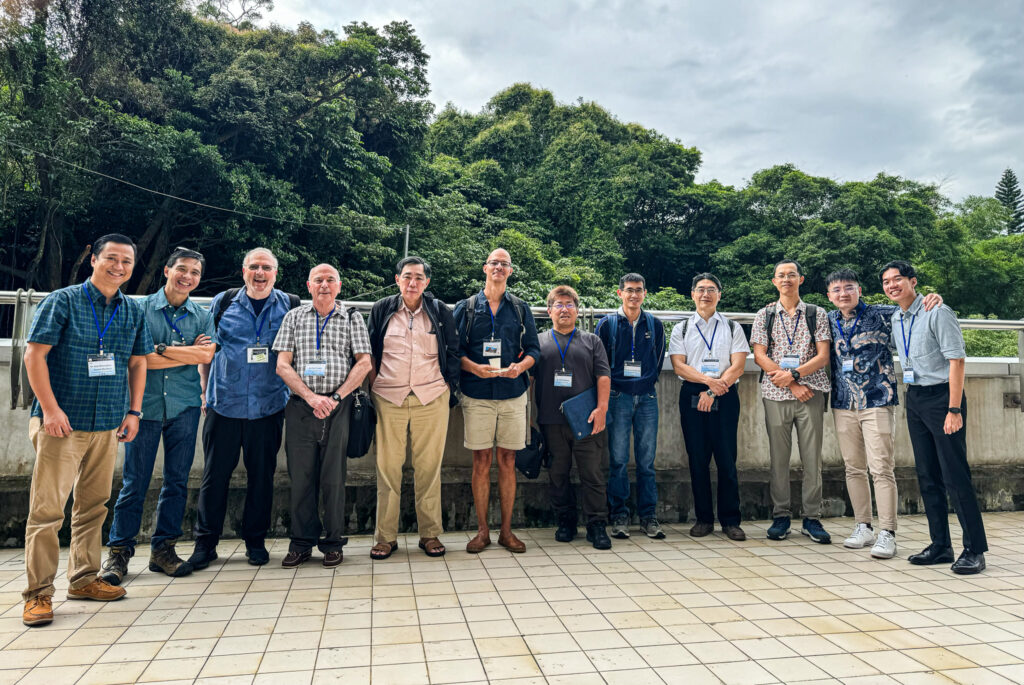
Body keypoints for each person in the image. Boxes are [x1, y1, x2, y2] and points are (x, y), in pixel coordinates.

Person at [21, 234, 153, 627]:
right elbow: (35, 355)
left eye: (127, 262)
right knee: (47, 511)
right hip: (62, 422)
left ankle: (83, 579)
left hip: (108, 423)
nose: (119, 267)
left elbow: (138, 363)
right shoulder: (62, 301)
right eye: (111, 259)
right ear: (93, 259)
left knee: (93, 506)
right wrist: (49, 409)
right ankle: (38, 594)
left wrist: (133, 412)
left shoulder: (132, 310)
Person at [101, 247, 215, 585]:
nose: (187, 277)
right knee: (135, 482)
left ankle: (163, 549)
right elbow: (139, 358)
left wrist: (161, 350)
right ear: (167, 270)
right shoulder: (139, 308)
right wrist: (182, 353)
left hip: (185, 406)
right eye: (181, 269)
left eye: (194, 272)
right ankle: (119, 553)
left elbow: (207, 353)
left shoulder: (201, 313)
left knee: (177, 481)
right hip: (144, 407)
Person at [189, 247, 298, 569]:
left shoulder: (289, 305)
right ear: (244, 270)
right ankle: (205, 544)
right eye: (254, 267)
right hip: (224, 404)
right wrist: (204, 392)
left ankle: (255, 541)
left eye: (266, 267)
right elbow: (206, 351)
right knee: (214, 477)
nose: (260, 273)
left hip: (268, 406)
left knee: (261, 478)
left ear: (275, 274)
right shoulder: (222, 303)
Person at [826, 268, 942, 559]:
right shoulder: (828, 320)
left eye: (849, 287)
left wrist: (934, 297)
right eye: (837, 290)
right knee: (853, 467)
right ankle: (862, 525)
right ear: (830, 295)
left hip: (877, 399)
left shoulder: (884, 314)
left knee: (881, 468)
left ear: (860, 289)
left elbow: (914, 308)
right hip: (843, 402)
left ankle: (887, 532)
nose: (843, 294)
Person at [882, 261, 987, 574]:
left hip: (943, 397)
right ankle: (940, 544)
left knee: (955, 475)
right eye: (886, 282)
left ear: (913, 281)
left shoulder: (937, 311)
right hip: (915, 397)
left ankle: (975, 549)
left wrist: (954, 409)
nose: (892, 285)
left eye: (898, 279)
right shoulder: (895, 316)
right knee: (927, 476)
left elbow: (957, 360)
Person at [273, 263, 371, 567]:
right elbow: (282, 364)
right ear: (308, 285)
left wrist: (336, 397)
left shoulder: (352, 317)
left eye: (330, 280)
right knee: (301, 477)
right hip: (301, 407)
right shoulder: (294, 317)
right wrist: (311, 397)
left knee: (334, 477)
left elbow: (364, 363)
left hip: (339, 407)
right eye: (319, 280)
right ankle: (301, 542)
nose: (324, 285)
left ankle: (332, 542)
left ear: (339, 286)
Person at [367, 257, 460, 560]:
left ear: (427, 283)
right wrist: (373, 386)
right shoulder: (383, 309)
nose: (412, 283)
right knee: (387, 469)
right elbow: (368, 350)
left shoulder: (440, 311)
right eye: (407, 277)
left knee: (429, 469)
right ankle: (385, 537)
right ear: (397, 280)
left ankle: (430, 534)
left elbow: (453, 352)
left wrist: (448, 389)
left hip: (431, 397)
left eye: (419, 278)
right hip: (388, 398)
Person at [454, 248, 540, 554]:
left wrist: (521, 366)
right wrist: (474, 367)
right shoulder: (466, 307)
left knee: (508, 461)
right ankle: (481, 531)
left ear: (510, 271)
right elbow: (454, 350)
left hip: (512, 393)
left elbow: (534, 349)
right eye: (494, 263)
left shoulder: (519, 308)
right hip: (476, 393)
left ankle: (506, 531)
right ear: (484, 268)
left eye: (504, 264)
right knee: (480, 462)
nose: (499, 267)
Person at [751, 259, 833, 543]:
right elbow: (760, 355)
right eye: (781, 275)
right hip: (775, 394)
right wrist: (790, 382)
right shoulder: (765, 315)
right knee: (779, 458)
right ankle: (781, 515)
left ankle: (812, 517)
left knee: (812, 458)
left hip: (811, 392)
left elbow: (823, 356)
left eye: (791, 275)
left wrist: (796, 377)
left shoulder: (816, 313)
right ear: (774, 281)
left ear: (801, 279)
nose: (786, 279)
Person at [668, 273, 750, 541]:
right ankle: (703, 519)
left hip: (725, 394)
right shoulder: (681, 328)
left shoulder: (732, 327)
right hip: (693, 392)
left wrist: (715, 389)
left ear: (719, 295)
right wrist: (707, 383)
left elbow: (738, 364)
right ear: (692, 294)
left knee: (727, 459)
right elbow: (679, 365)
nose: (706, 294)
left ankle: (730, 520)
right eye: (701, 290)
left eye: (711, 290)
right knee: (697, 459)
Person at [535, 286, 612, 549]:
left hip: (587, 419)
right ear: (549, 311)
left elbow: (604, 376)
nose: (564, 309)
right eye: (558, 304)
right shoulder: (539, 340)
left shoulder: (592, 341)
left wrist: (602, 409)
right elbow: (528, 378)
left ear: (577, 311)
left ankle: (597, 524)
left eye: (569, 304)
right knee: (557, 474)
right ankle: (565, 521)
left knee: (592, 473)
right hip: (551, 420)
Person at [595, 273, 667, 540]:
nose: (634, 295)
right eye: (629, 290)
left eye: (639, 290)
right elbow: (599, 363)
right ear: (619, 293)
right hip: (617, 398)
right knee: (618, 461)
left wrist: (645, 384)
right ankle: (619, 515)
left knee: (647, 462)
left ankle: (649, 517)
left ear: (645, 294)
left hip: (647, 398)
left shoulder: (655, 325)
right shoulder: (607, 325)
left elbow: (658, 360)